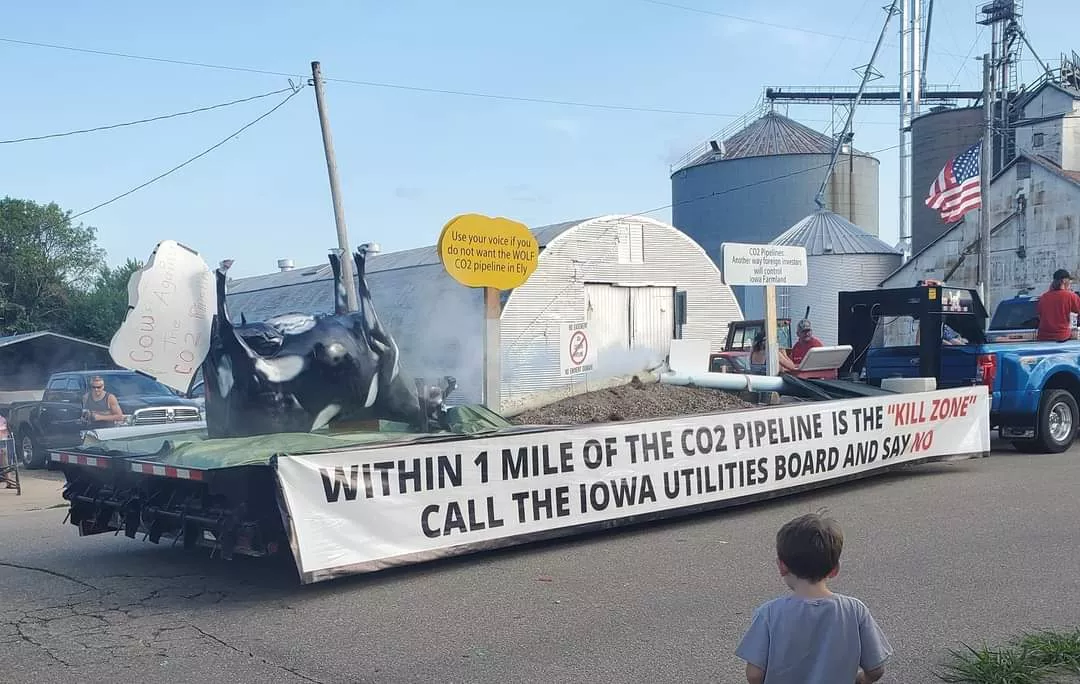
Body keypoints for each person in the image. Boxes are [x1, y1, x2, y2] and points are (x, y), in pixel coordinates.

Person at [736, 513, 893, 684]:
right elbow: (876, 669)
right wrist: (861, 680)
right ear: (835, 569)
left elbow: (754, 675)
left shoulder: (769, 614)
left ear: (782, 567)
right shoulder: (854, 610)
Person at [1036, 269, 1080, 342]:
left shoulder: (1043, 297)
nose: (1070, 283)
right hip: (1062, 338)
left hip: (1043, 338)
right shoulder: (1071, 296)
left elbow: (1040, 316)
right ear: (1064, 281)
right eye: (1069, 281)